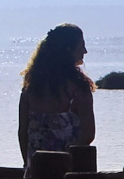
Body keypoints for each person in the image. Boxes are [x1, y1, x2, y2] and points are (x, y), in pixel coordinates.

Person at [18, 24, 95, 158]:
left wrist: (28, 164)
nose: (85, 51)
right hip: (69, 171)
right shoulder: (78, 87)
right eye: (81, 45)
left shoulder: (31, 86)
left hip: (38, 170)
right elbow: (88, 134)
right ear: (68, 49)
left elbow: (22, 133)